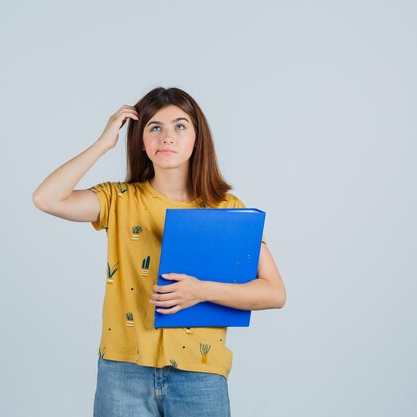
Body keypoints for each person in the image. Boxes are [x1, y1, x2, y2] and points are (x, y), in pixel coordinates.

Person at [32, 87, 286, 417]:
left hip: (201, 373)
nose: (167, 137)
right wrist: (102, 144)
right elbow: (46, 198)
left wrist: (201, 291)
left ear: (197, 138)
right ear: (141, 140)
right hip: (123, 371)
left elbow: (274, 292)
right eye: (155, 127)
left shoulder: (227, 211)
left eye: (180, 126)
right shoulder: (118, 199)